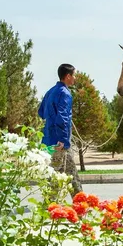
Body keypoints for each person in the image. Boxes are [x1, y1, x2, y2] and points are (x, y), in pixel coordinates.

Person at [38, 63, 83, 198]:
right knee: (56, 174)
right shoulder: (65, 93)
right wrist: (63, 139)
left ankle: (80, 201)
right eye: (74, 75)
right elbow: (62, 117)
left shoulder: (50, 91)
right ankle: (51, 206)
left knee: (70, 172)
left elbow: (41, 112)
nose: (75, 78)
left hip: (48, 139)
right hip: (59, 142)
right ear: (68, 76)